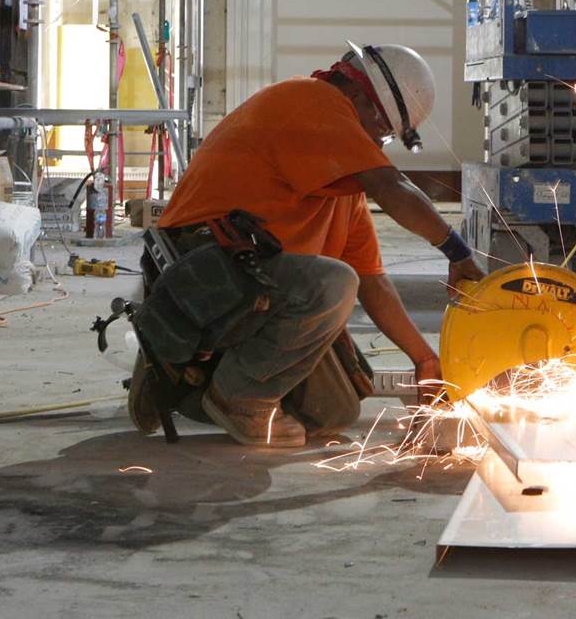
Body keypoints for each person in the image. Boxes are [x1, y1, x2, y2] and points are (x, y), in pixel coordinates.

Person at [129, 42, 485, 448]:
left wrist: (425, 359)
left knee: (335, 412)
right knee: (332, 283)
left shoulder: (343, 185)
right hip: (197, 274)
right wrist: (457, 252)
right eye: (382, 131)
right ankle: (239, 397)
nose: (378, 144)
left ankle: (180, 388)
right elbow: (393, 187)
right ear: (356, 95)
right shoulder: (309, 101)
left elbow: (374, 283)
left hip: (244, 290)